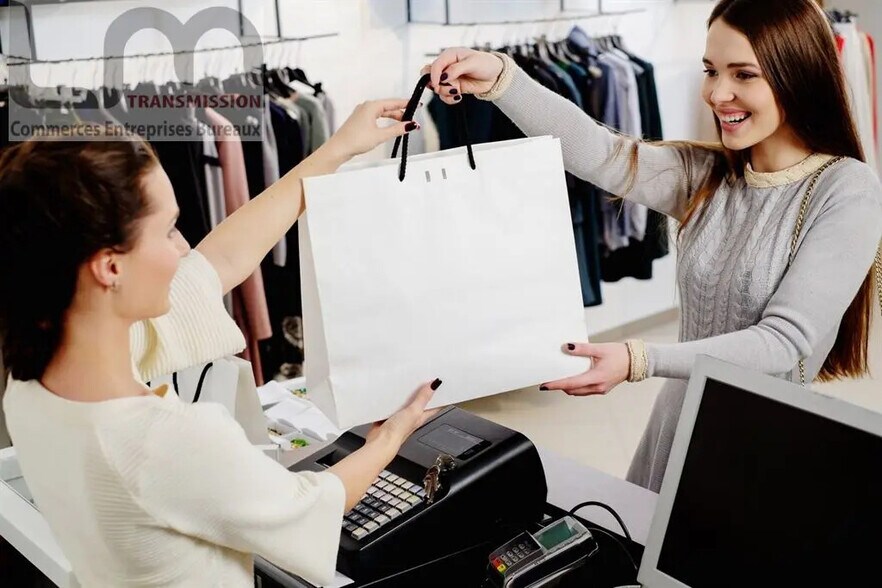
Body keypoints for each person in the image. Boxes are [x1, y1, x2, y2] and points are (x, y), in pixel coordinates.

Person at [425, 0, 882, 492]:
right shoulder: (708, 174)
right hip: (677, 416)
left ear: (799, 74)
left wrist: (639, 359)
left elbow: (784, 341)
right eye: (711, 71)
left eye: (743, 74)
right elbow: (600, 153)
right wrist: (501, 78)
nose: (717, 92)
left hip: (760, 441)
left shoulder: (847, 190)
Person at [0, 101, 434, 586]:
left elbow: (220, 261)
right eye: (167, 230)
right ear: (110, 267)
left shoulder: (31, 385)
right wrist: (390, 437)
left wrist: (336, 151)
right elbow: (312, 504)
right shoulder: (167, 441)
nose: (183, 247)